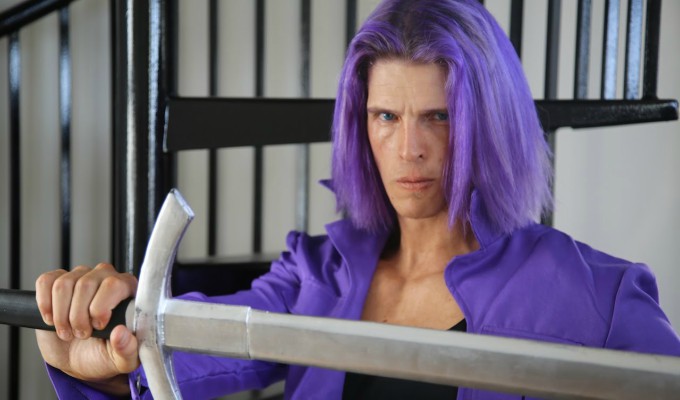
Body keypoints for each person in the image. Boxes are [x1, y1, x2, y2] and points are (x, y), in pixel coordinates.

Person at [35, 0, 680, 399]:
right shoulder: (318, 276)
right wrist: (99, 355)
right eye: (386, 117)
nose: (410, 150)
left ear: (490, 126)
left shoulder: (591, 291)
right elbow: (176, 354)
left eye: (440, 117)